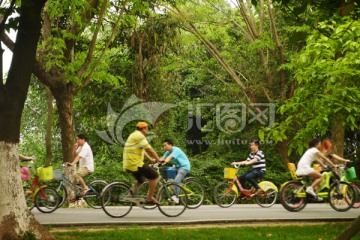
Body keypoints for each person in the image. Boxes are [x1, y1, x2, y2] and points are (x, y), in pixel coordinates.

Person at [123, 122, 162, 204]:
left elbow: (143, 150)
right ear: (144, 129)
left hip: (129, 164)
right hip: (135, 164)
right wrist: (158, 159)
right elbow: (149, 149)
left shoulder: (134, 135)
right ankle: (150, 197)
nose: (148, 130)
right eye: (147, 128)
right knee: (155, 176)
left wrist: (151, 160)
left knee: (141, 180)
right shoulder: (140, 136)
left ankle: (128, 196)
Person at [160, 139, 191, 203]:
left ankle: (176, 197)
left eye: (165, 145)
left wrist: (165, 162)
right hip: (176, 167)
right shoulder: (168, 151)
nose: (164, 147)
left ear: (170, 145)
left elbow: (169, 158)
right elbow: (162, 158)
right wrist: (155, 164)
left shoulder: (176, 150)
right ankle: (176, 189)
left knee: (176, 181)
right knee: (167, 178)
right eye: (163, 146)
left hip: (184, 167)